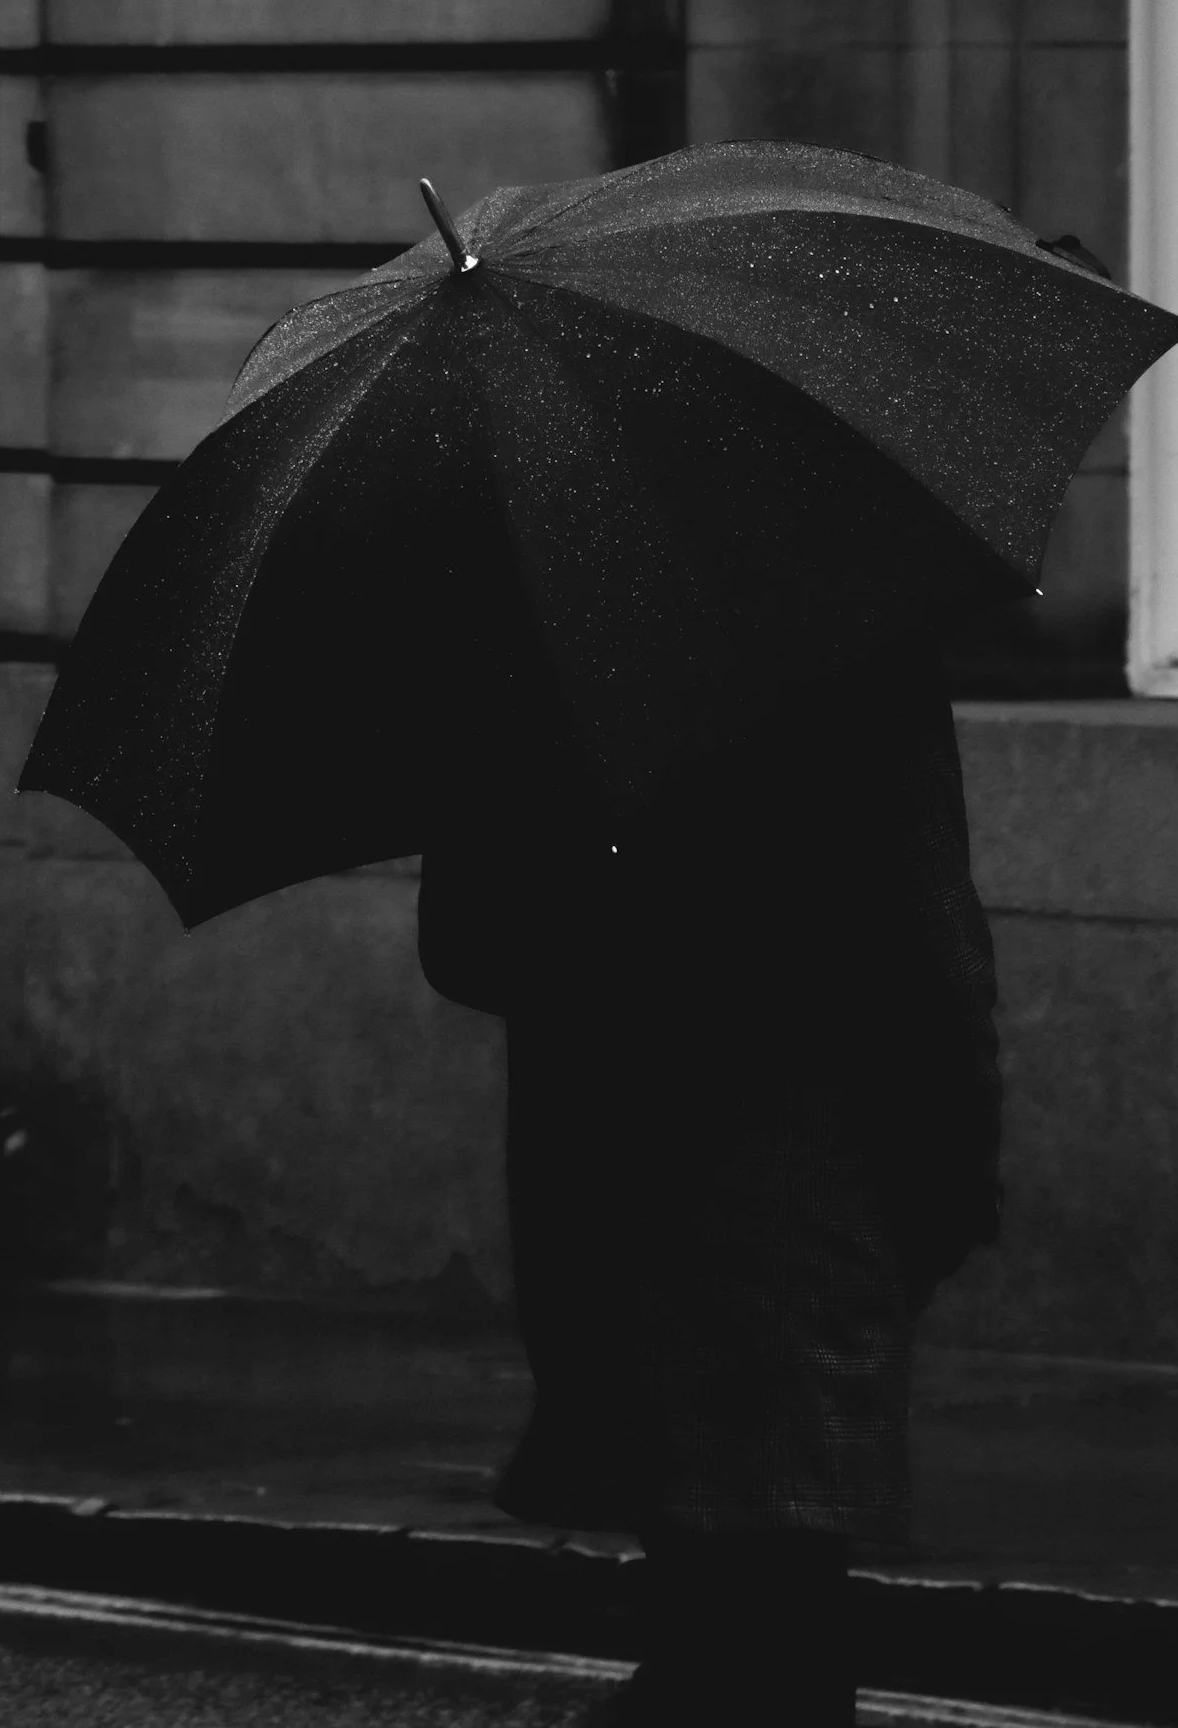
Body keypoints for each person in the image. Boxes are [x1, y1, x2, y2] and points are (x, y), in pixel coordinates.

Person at [417, 634, 1000, 1726]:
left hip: (625, 1163)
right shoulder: (846, 635)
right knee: (772, 1564)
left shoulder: (527, 650)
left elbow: (466, 945)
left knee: (710, 1558)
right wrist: (957, 1153)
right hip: (782, 1160)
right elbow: (931, 934)